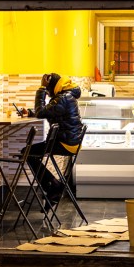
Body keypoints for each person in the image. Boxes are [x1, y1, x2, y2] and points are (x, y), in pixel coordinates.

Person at [26, 72, 85, 209]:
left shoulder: (62, 98)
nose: (48, 92)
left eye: (48, 89)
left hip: (65, 143)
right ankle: (52, 187)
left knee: (28, 153)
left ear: (53, 87)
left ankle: (54, 187)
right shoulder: (67, 96)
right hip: (70, 141)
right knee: (30, 152)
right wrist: (30, 112)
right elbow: (49, 111)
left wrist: (41, 89)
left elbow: (42, 112)